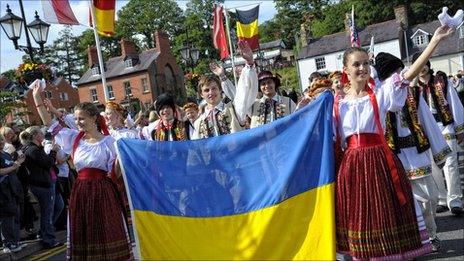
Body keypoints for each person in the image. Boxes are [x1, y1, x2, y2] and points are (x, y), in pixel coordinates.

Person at [334, 25, 453, 259]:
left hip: (379, 160)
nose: (362, 68)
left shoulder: (379, 93)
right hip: (352, 166)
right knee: (361, 216)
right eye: (356, 64)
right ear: (345, 69)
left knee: (383, 213)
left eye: (366, 63)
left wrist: (434, 42)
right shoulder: (337, 103)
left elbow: (407, 76)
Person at [32, 85, 131, 259]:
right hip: (81, 191)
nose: (78, 122)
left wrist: (122, 159)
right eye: (76, 119)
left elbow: (115, 172)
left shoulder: (110, 142)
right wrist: (37, 98)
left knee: (105, 229)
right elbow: (49, 123)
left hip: (104, 191)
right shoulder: (73, 138)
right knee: (84, 231)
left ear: (94, 118)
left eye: (82, 119)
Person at [375, 52, 451, 252]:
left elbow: (427, 121)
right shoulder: (377, 97)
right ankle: (413, 240)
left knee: (429, 198)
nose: (400, 75)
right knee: (400, 202)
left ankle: (430, 234)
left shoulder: (413, 94)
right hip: (392, 154)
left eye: (400, 71)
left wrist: (439, 152)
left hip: (416, 153)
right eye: (397, 72)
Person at [415, 54, 464, 215]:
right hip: (428, 130)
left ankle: (455, 200)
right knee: (434, 166)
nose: (422, 68)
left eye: (424, 64)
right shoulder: (413, 87)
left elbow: (454, 102)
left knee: (450, 165)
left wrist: (459, 128)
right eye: (418, 64)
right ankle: (442, 199)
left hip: (445, 126)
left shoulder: (441, 80)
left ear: (428, 65)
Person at [20, 126, 62, 249]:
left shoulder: (35, 148)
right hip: (42, 185)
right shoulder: (32, 150)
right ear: (35, 135)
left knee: (58, 207)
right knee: (47, 213)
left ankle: (44, 232)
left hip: (47, 182)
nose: (43, 134)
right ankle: (48, 239)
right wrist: (53, 151)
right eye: (40, 133)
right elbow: (48, 163)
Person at [0, 133, 25, 253]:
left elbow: (14, 169)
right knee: (7, 218)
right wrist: (14, 166)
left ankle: (16, 241)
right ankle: (8, 244)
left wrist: (18, 162)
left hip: (13, 189)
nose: (1, 142)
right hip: (3, 192)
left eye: (2, 140)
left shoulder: (5, 154)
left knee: (16, 215)